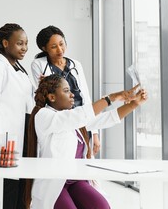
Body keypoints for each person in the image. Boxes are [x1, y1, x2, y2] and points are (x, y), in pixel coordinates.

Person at [25, 74, 147, 209]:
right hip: (54, 183)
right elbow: (77, 116)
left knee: (102, 206)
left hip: (75, 180)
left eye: (71, 91)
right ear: (52, 97)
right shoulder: (44, 115)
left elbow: (106, 119)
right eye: (66, 91)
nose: (72, 95)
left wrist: (135, 104)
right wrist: (111, 97)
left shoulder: (75, 120)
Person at [0, 23, 34, 209]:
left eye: (26, 43)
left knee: (20, 192)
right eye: (20, 43)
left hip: (21, 138)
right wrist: (0, 144)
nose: (25, 48)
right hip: (5, 142)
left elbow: (28, 102)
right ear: (5, 43)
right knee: (7, 194)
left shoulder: (18, 69)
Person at [31, 25, 102, 156]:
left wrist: (95, 132)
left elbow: (85, 96)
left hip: (82, 118)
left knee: (85, 162)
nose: (60, 49)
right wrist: (45, 82)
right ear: (44, 48)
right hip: (63, 121)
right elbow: (43, 93)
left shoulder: (76, 64)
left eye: (61, 44)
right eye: (53, 47)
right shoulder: (39, 64)